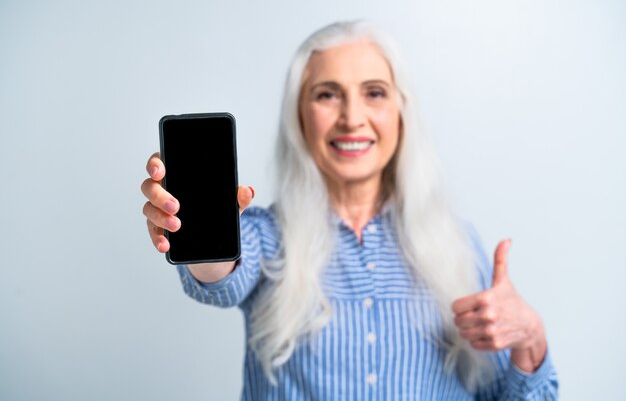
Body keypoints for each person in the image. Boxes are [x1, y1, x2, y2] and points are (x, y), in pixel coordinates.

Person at [141, 21, 558, 400]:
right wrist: (187, 221)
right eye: (327, 95)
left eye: (374, 93)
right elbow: (218, 274)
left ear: (401, 111)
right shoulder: (266, 236)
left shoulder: (457, 245)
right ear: (300, 116)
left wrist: (530, 337)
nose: (352, 118)